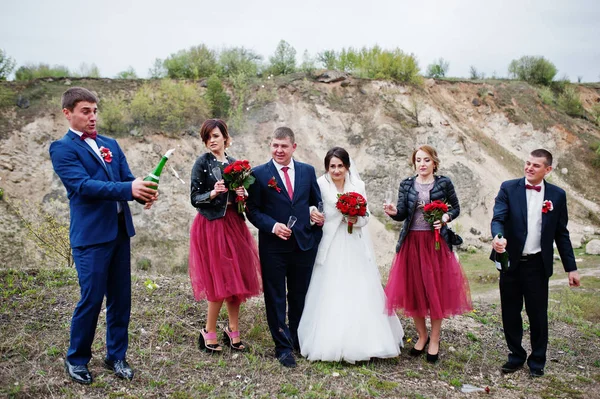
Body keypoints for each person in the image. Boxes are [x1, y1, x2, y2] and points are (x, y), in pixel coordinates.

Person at [49, 87, 158, 384]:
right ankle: (77, 359)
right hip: (91, 237)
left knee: (121, 299)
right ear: (68, 113)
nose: (93, 117)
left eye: (95, 111)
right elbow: (82, 186)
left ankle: (116, 356)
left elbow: (126, 180)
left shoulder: (110, 143)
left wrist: (143, 192)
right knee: (92, 298)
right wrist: (129, 189)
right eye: (86, 111)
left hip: (120, 233)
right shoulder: (62, 148)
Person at [298, 147, 404, 363]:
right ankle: (329, 341)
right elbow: (310, 207)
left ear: (347, 166)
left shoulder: (358, 186)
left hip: (353, 243)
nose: (336, 170)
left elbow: (366, 216)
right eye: (332, 166)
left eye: (340, 166)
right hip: (330, 243)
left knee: (359, 288)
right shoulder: (319, 184)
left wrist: (356, 220)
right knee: (330, 288)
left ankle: (366, 341)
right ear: (327, 168)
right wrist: (312, 215)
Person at [491, 148, 580, 378]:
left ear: (547, 170)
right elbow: (498, 218)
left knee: (538, 315)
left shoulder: (557, 195)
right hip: (509, 262)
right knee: (510, 312)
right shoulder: (508, 188)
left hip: (537, 265)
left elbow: (561, 233)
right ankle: (516, 356)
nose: (529, 168)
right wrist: (498, 238)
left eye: (536, 165)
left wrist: (571, 268)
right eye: (528, 163)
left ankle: (537, 361)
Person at [384, 145, 472, 363]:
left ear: (434, 162)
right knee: (414, 290)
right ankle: (422, 336)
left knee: (435, 292)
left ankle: (435, 339)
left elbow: (456, 208)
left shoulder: (444, 183)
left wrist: (445, 218)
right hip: (411, 242)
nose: (421, 164)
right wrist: (394, 213)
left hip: (435, 244)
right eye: (418, 160)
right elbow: (403, 213)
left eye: (426, 160)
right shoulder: (406, 184)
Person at [246, 127, 324, 368]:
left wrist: (316, 213)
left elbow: (316, 200)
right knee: (276, 296)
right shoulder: (258, 174)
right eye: (275, 146)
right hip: (274, 247)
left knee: (300, 295)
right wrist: (273, 226)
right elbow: (252, 210)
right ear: (270, 146)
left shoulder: (307, 171)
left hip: (304, 244)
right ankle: (282, 346)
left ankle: (298, 338)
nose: (279, 150)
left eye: (284, 146)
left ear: (294, 147)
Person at [189, 119, 262, 354]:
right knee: (219, 280)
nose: (212, 140)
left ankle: (233, 330)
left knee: (236, 279)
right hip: (211, 226)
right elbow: (194, 198)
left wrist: (243, 193)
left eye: (216, 136)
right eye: (208, 137)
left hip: (234, 224)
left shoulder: (234, 164)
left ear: (225, 137)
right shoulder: (202, 163)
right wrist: (212, 192)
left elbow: (243, 198)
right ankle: (208, 331)